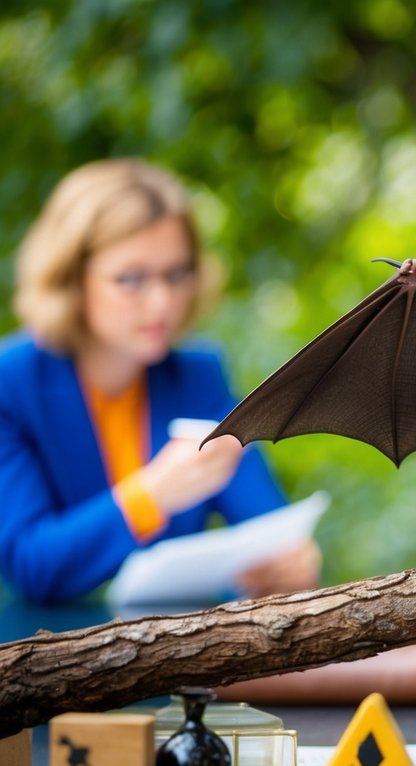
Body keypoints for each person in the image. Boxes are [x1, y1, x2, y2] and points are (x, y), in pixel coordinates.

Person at [0, 158, 321, 604]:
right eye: (130, 279)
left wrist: (287, 564)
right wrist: (150, 495)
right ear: (72, 278)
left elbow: (264, 527)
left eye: (177, 274)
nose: (161, 302)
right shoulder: (11, 381)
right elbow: (32, 567)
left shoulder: (198, 375)